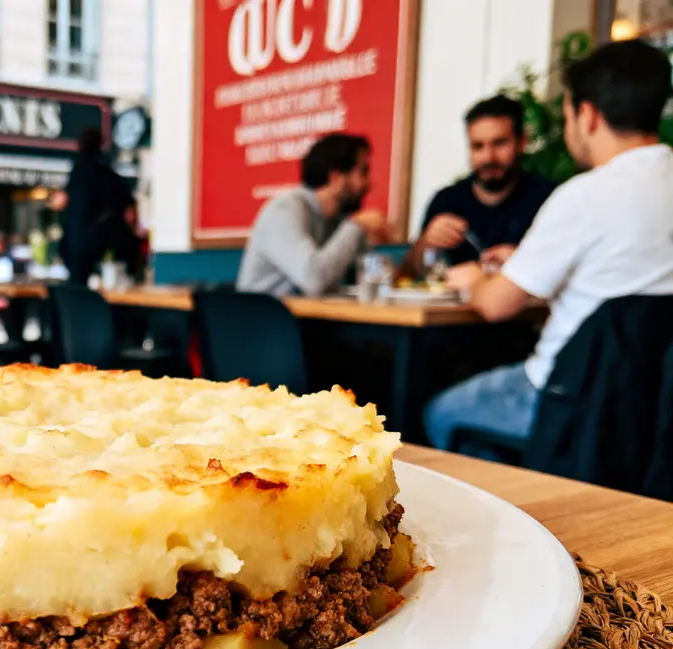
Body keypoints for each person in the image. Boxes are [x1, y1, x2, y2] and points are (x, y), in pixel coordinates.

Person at [426, 39, 673, 455]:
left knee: (441, 413)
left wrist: (472, 280)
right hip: (652, 404)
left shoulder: (586, 195)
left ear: (588, 115)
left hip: (568, 394)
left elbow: (495, 304)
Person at [405, 96, 558, 275]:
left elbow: (566, 273)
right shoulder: (446, 201)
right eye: (477, 146)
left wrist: (523, 262)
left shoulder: (549, 199)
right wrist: (426, 243)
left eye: (499, 143)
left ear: (521, 143)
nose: (488, 157)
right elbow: (406, 275)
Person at [236, 134, 388, 296]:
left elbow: (371, 277)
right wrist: (356, 225)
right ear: (336, 178)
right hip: (262, 318)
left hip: (306, 318)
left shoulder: (338, 220)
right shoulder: (284, 210)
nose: (369, 183)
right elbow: (313, 279)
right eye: (363, 172)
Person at [59, 128, 132, 285]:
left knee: (78, 287)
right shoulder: (104, 173)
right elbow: (123, 200)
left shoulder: (78, 172)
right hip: (97, 245)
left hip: (78, 244)